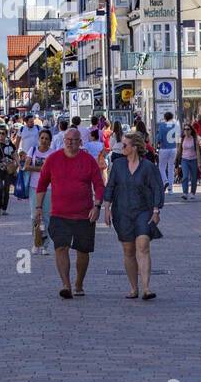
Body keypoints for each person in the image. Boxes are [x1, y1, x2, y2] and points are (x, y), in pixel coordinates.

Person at [36, 128, 104, 299]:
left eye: (74, 140)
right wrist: (38, 208)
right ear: (63, 140)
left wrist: (97, 206)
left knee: (82, 251)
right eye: (68, 139)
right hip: (59, 213)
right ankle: (65, 284)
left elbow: (99, 185)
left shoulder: (88, 160)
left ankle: (79, 283)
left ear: (80, 142)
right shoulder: (53, 159)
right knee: (60, 247)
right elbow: (42, 184)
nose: (70, 142)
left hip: (84, 214)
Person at [101, 131, 163, 299]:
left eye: (125, 145)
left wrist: (156, 210)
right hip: (122, 212)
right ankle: (133, 288)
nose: (122, 147)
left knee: (142, 245)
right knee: (128, 250)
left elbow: (157, 188)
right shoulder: (118, 165)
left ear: (134, 148)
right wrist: (106, 209)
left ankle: (146, 288)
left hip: (144, 210)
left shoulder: (148, 167)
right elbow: (110, 187)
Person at [21, 128, 55, 254]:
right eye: (42, 138)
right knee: (34, 216)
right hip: (34, 187)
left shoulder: (52, 153)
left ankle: (45, 245)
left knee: (46, 217)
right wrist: (43, 169)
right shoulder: (33, 150)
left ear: (50, 141)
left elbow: (53, 171)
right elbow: (27, 166)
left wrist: (40, 169)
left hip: (49, 188)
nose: (44, 141)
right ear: (38, 139)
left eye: (47, 139)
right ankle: (36, 242)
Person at [0, 125, 17, 216]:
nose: (1, 135)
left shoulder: (10, 144)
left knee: (6, 189)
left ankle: (4, 209)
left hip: (8, 169)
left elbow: (15, 155)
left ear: (6, 134)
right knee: (0, 188)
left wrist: (16, 166)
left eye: (3, 133)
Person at [178, 124, 201, 200]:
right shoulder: (182, 139)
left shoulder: (195, 138)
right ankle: (185, 193)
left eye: (188, 129)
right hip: (184, 159)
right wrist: (177, 161)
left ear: (191, 130)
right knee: (185, 176)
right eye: (185, 129)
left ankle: (192, 193)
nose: (186, 131)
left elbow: (199, 147)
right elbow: (179, 150)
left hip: (194, 159)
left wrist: (199, 163)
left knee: (194, 177)